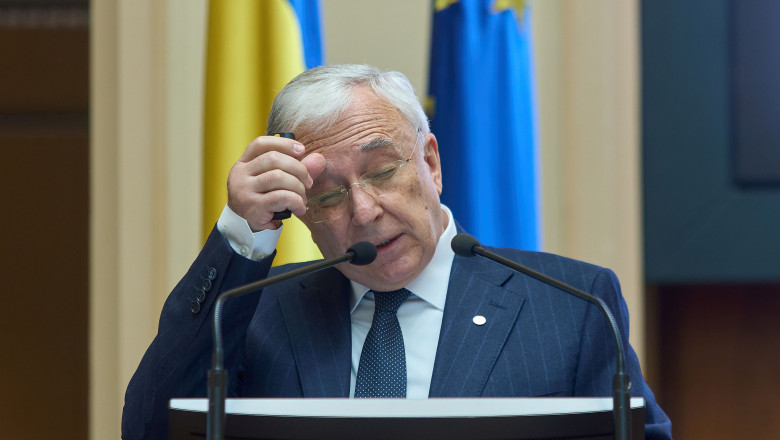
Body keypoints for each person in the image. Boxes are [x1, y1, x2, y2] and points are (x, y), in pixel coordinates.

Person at [122, 64, 672, 439]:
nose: (364, 211)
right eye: (328, 195)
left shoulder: (573, 306)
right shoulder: (258, 313)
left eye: (383, 172)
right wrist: (242, 233)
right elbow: (151, 428)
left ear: (429, 162)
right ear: (300, 210)